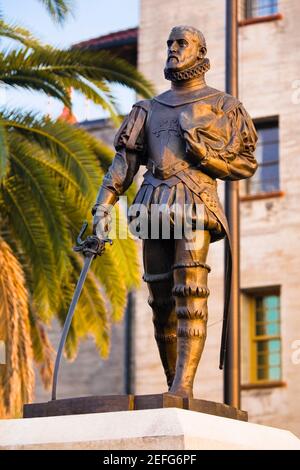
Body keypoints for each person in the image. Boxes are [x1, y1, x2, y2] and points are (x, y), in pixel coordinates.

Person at [92, 25, 258, 398]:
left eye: (181, 43)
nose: (173, 49)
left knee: (190, 291)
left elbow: (245, 164)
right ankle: (172, 383)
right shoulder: (146, 109)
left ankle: (184, 386)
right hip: (153, 202)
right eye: (169, 43)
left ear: (200, 53)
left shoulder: (223, 106)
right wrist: (102, 208)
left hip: (195, 203)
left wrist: (206, 157)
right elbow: (123, 165)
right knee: (161, 299)